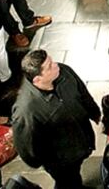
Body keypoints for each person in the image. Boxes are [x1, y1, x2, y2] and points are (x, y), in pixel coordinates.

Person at [13, 50, 101, 188]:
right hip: (61, 160)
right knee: (67, 181)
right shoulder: (26, 110)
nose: (56, 65)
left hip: (81, 140)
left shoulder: (63, 72)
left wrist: (94, 112)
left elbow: (82, 91)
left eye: (52, 61)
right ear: (37, 79)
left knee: (75, 175)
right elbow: (26, 147)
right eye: (49, 66)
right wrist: (48, 161)